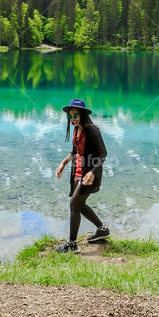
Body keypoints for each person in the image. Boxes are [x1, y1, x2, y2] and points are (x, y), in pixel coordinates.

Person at [54, 98, 109, 253]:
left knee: (74, 205)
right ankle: (102, 230)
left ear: (83, 114)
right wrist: (63, 164)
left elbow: (103, 154)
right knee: (79, 204)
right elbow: (74, 152)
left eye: (75, 115)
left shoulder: (92, 130)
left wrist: (92, 173)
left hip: (90, 175)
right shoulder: (76, 129)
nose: (72, 119)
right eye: (70, 116)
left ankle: (72, 244)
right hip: (79, 174)